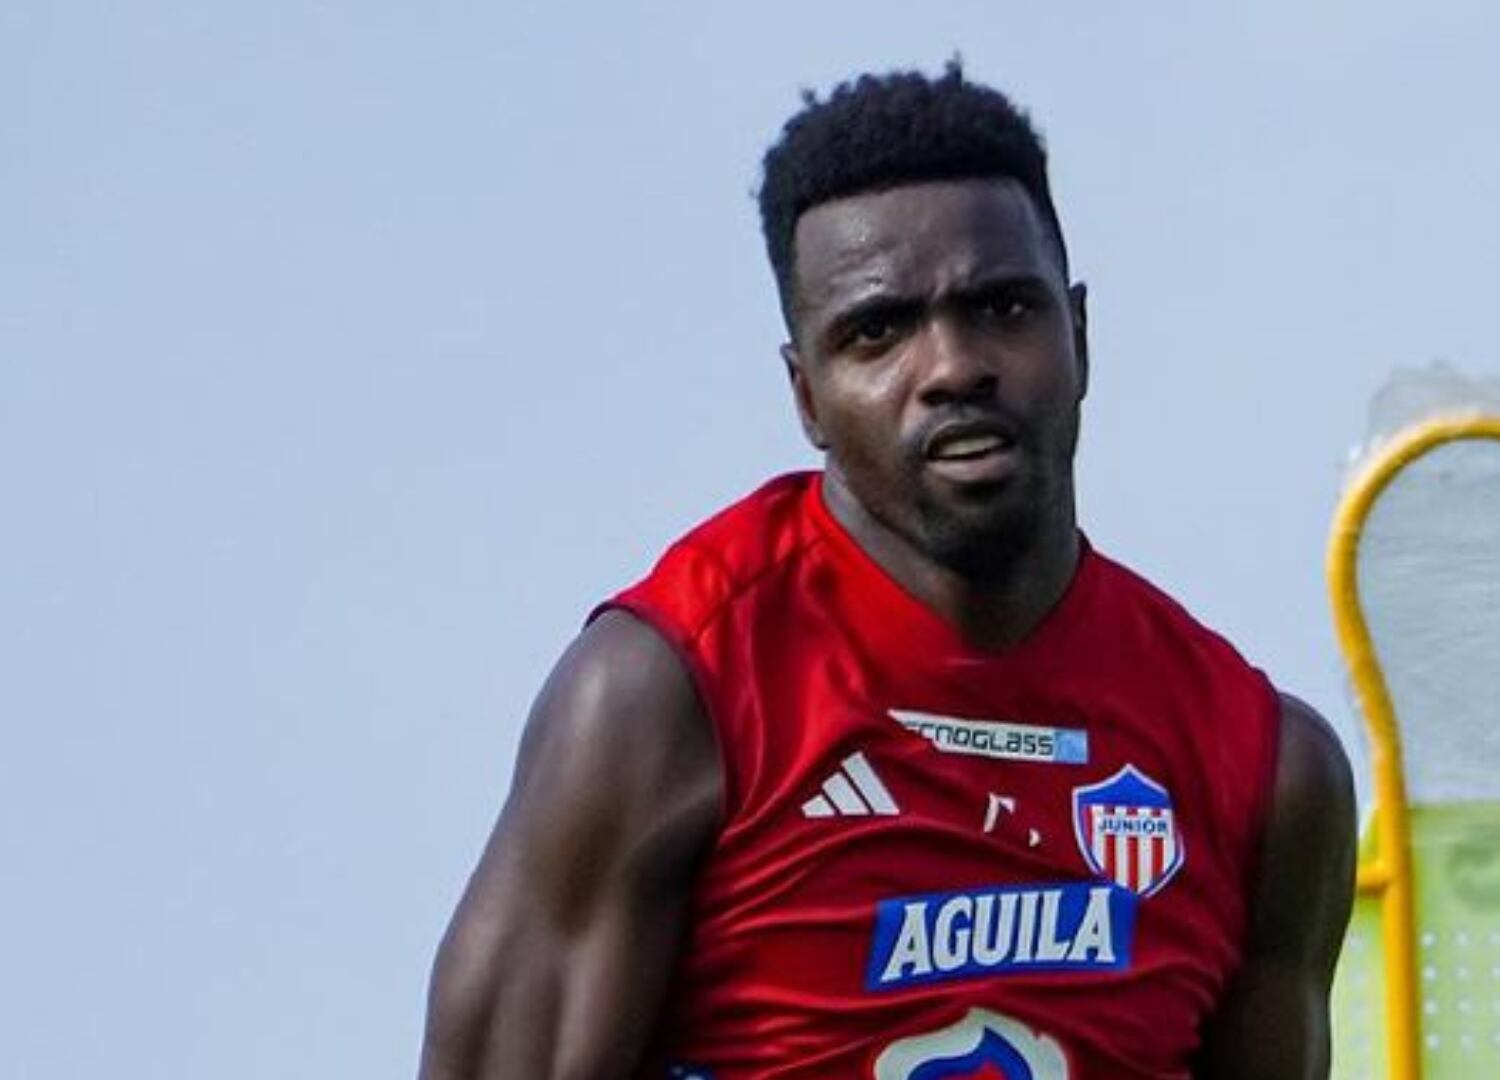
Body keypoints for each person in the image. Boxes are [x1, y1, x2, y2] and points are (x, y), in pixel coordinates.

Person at [420, 62, 1356, 1080]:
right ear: (807, 397)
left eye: (1002, 308)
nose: (952, 367)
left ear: (1080, 336)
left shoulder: (1264, 769)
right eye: (878, 332)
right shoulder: (667, 695)